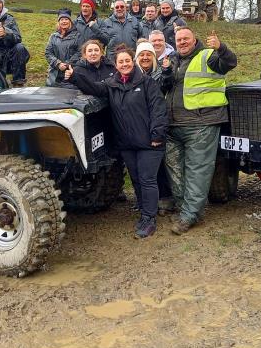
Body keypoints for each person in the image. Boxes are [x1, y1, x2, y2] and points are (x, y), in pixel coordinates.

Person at [67, 46, 168, 239]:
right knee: (137, 179)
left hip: (149, 142)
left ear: (133, 61)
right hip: (128, 143)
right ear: (116, 64)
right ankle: (144, 208)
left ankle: (149, 218)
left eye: (127, 61)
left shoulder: (147, 83)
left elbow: (158, 110)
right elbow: (93, 88)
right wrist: (74, 77)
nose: (124, 64)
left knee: (147, 180)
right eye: (120, 62)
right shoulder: (112, 84)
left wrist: (157, 135)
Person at [164, 27, 237, 234]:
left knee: (198, 171)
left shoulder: (209, 56)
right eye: (179, 40)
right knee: (175, 170)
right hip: (174, 125)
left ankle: (190, 216)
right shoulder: (173, 60)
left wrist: (221, 47)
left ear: (194, 39)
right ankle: (183, 209)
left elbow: (229, 63)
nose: (182, 42)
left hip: (201, 124)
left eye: (186, 39)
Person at [135, 39, 175, 214]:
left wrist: (166, 72)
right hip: (138, 124)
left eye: (148, 55)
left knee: (159, 165)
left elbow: (167, 85)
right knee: (141, 167)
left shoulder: (160, 73)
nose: (145, 57)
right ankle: (145, 200)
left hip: (157, 123)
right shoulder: (132, 74)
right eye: (141, 55)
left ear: (153, 57)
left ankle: (165, 198)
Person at [45, 9, 81, 87]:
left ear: (70, 21)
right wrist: (58, 64)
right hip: (54, 74)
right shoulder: (53, 36)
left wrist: (67, 64)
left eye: (66, 19)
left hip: (71, 72)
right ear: (59, 22)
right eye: (62, 19)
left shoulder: (78, 36)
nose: (64, 21)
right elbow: (48, 53)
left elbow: (80, 53)